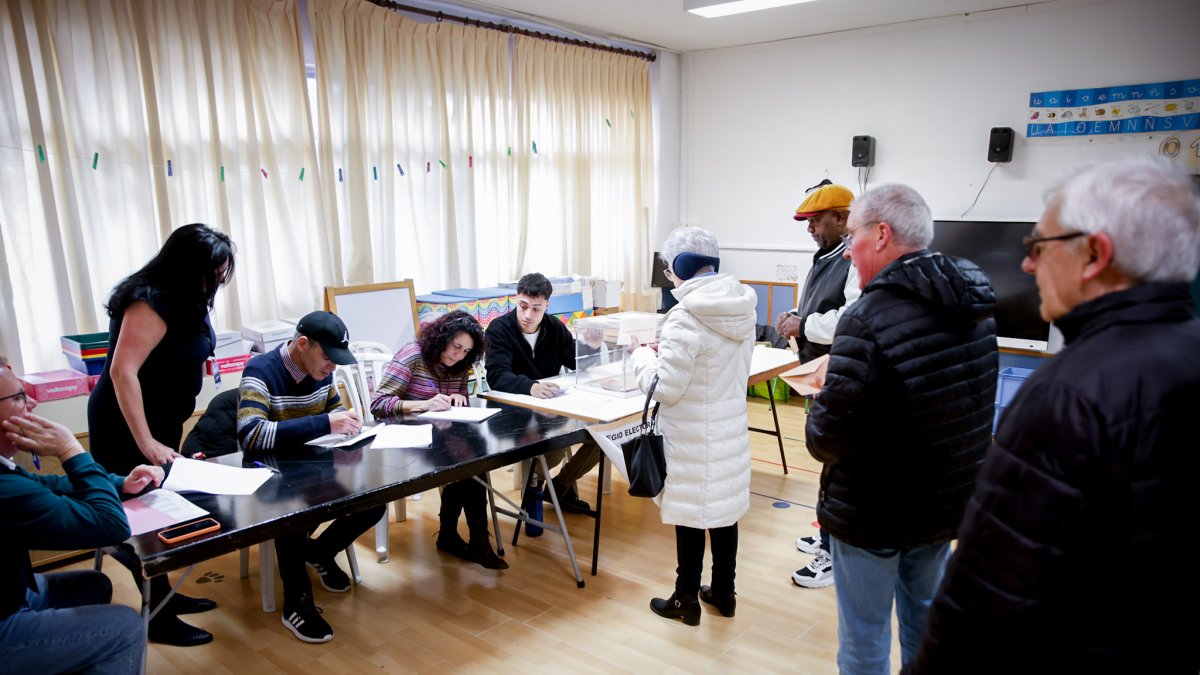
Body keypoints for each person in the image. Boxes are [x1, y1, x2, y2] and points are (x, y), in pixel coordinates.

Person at [909, 158, 1200, 674]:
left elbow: (986, 595)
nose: (1026, 265)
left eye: (1037, 246)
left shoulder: (1069, 394)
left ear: (1094, 253)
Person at [806, 184, 997, 674]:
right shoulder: (973, 301)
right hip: (942, 502)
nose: (847, 250)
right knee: (925, 622)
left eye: (852, 236)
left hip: (873, 510)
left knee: (865, 638)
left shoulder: (866, 317)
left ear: (882, 235)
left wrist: (826, 393)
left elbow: (826, 439)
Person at [87, 222, 233, 646]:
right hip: (126, 425)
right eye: (214, 272)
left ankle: (165, 596)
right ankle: (158, 619)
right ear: (187, 266)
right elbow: (122, 371)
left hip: (162, 419)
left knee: (162, 506)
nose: (219, 280)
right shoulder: (149, 303)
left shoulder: (192, 298)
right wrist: (146, 441)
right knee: (143, 515)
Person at [628, 226, 757, 626]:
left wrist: (641, 359)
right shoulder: (741, 307)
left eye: (669, 270)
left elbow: (665, 388)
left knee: (690, 516)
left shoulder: (685, 316)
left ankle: (686, 599)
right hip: (728, 430)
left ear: (681, 267)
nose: (670, 278)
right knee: (724, 512)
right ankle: (724, 592)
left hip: (691, 437)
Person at [1, 362, 161, 673]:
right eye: (19, 397)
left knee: (93, 585)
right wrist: (71, 448)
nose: (32, 403)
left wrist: (119, 483)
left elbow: (44, 484)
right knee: (125, 628)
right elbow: (110, 525)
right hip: (6, 619)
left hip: (14, 593)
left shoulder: (6, 473)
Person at [237, 310, 386, 644]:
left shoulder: (322, 370)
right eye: (328, 358)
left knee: (374, 501)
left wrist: (347, 423)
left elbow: (333, 410)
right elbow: (250, 435)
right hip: (271, 477)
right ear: (303, 344)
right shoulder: (261, 370)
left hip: (315, 467)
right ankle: (297, 603)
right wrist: (325, 424)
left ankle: (317, 553)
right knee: (293, 518)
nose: (332, 367)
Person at [773, 181, 862, 590]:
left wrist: (804, 323)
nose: (809, 228)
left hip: (839, 376)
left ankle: (832, 552)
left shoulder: (854, 259)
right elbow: (822, 306)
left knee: (837, 467)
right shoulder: (827, 256)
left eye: (815, 220)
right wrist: (797, 313)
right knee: (826, 464)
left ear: (841, 218)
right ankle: (826, 534)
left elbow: (851, 318)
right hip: (819, 374)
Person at [370, 310, 507, 570]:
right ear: (441, 337)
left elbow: (460, 398)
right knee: (467, 463)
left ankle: (462, 538)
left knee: (472, 459)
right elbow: (378, 404)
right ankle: (470, 540)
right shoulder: (413, 354)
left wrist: (459, 400)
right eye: (456, 347)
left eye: (466, 352)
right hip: (404, 438)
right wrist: (422, 405)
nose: (458, 355)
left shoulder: (460, 364)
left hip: (440, 437)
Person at [484, 272, 602, 515]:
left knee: (603, 436)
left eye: (536, 308)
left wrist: (591, 346)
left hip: (552, 410)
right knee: (555, 449)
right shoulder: (499, 329)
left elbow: (576, 361)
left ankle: (559, 487)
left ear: (547, 304)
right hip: (513, 412)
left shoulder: (555, 327)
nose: (528, 315)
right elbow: (496, 376)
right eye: (523, 306)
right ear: (516, 298)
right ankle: (537, 487)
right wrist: (531, 386)